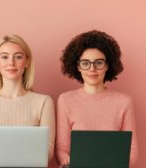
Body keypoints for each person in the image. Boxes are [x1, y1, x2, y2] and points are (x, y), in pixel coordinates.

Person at [56, 30, 138, 167]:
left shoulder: (124, 102)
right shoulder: (65, 100)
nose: (92, 69)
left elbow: (132, 151)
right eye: (85, 63)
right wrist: (68, 162)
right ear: (78, 66)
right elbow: (62, 147)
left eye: (98, 63)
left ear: (107, 66)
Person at [0, 34, 55, 163]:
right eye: (4, 57)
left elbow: (47, 154)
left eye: (18, 57)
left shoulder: (43, 102)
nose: (11, 63)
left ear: (27, 62)